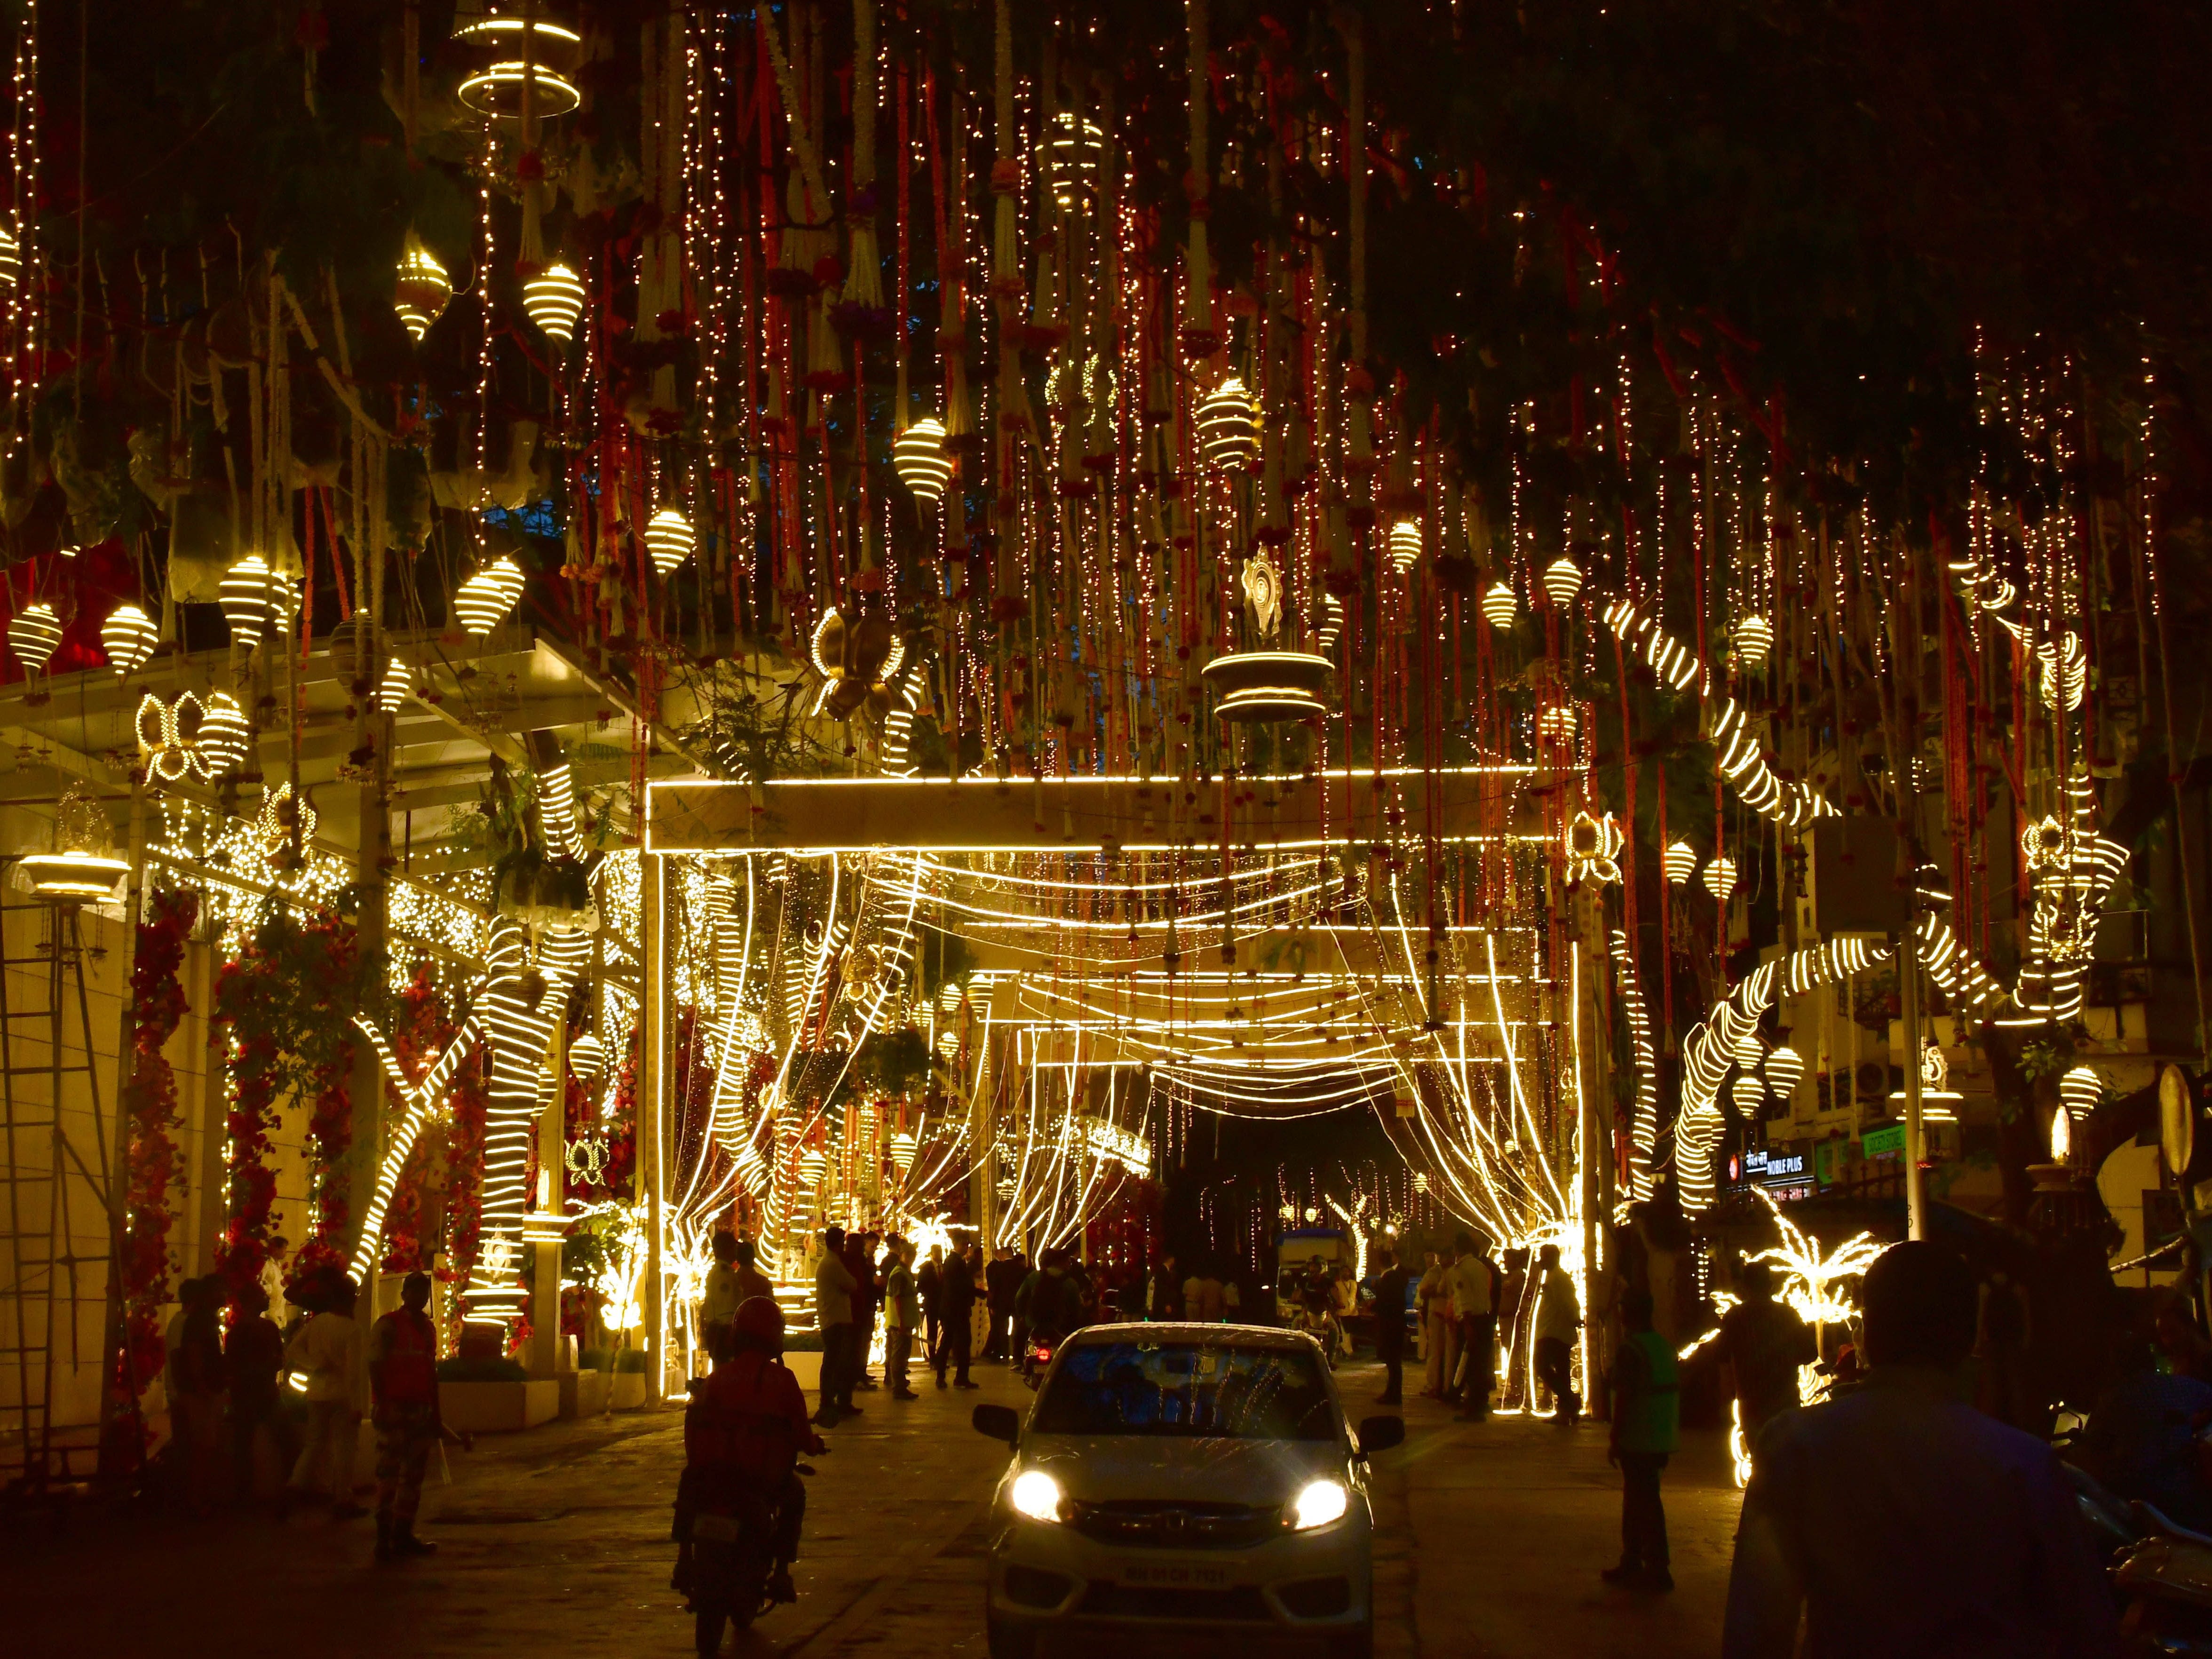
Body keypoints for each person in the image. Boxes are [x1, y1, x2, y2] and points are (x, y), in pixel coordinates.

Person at [1723, 1241, 2120, 1659]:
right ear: (1970, 1334)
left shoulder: (1795, 1447)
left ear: (1868, 1331)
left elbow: (1756, 1626)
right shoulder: (2025, 1464)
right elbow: (2086, 1625)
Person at [682, 1296, 827, 1634]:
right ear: (774, 1337)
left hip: (713, 1476)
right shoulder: (783, 1380)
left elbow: (699, 1419)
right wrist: (814, 1445)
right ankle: (780, 1571)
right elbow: (802, 1433)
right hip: (760, 1480)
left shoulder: (719, 1378)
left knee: (688, 1491)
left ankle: (683, 1561)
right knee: (794, 1494)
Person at [2076, 1324, 2212, 1532]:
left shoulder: (2112, 1401)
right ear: (2150, 1359)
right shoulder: (2180, 1387)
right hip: (2185, 1498)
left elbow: (2093, 1454)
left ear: (2117, 1365)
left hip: (2137, 1506)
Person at [369, 1270, 466, 1562]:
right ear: (404, 1295)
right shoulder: (388, 1326)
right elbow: (375, 1365)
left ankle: (403, 1533)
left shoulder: (427, 1329)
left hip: (420, 1410)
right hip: (395, 1408)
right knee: (389, 1474)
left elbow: (429, 1372)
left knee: (413, 1475)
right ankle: (384, 1539)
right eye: (415, 1292)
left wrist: (436, 1414)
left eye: (424, 1293)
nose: (420, 1298)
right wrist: (382, 1402)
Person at [1604, 1289, 1680, 1592]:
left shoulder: (1631, 1349)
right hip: (1663, 1433)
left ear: (1627, 1313)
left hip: (1640, 1434)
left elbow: (1625, 1395)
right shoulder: (1663, 1346)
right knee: (1640, 1498)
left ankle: (1656, 1567)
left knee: (1644, 1501)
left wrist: (1615, 1435)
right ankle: (1633, 1560)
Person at [284, 1275, 367, 1517]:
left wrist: (314, 1365)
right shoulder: (352, 1329)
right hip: (341, 1395)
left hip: (317, 1393)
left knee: (314, 1445)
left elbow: (293, 1349)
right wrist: (357, 1405)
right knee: (344, 1449)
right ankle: (342, 1499)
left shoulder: (318, 1323)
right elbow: (353, 1374)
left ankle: (293, 1486)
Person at [1712, 1261, 1816, 1452]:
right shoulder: (1788, 1315)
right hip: (1786, 1396)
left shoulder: (1736, 1316)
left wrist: (1727, 1393)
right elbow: (1810, 1353)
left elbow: (1721, 1355)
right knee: (1786, 1453)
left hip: (1751, 1398)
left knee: (1759, 1455)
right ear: (1771, 1286)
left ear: (1744, 1287)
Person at [225, 1279, 296, 1506]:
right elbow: (238, 1364)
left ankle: (246, 1494)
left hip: (254, 1393)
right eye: (262, 1295)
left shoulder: (253, 1329)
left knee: (246, 1445)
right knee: (281, 1441)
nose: (267, 1298)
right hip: (258, 1393)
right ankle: (286, 1489)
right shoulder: (254, 1329)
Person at [166, 1275, 227, 1509]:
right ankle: (194, 1499)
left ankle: (192, 1497)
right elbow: (185, 1355)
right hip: (196, 1393)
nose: (224, 1294)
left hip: (195, 1391)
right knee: (200, 1447)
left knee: (198, 1446)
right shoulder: (190, 1322)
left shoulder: (200, 1321)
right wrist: (199, 1386)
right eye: (220, 1289)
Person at [812, 1227, 859, 1426]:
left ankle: (830, 1399)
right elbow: (852, 1285)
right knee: (835, 1362)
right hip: (836, 1319)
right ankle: (828, 1400)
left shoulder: (828, 1262)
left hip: (831, 1318)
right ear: (839, 1244)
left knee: (832, 1361)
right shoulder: (833, 1264)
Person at [1531, 1243, 1581, 1421]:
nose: (1540, 1260)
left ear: (1553, 1258)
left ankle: (1569, 1402)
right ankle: (1567, 1408)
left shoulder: (1559, 1279)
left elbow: (1568, 1303)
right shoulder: (1553, 1277)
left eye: (1543, 1256)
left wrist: (1575, 1319)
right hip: (1551, 1330)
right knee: (1560, 1370)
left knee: (1542, 1366)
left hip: (1555, 1332)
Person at [1441, 1234, 1488, 1413]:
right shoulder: (1481, 1267)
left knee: (1467, 1363)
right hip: (1484, 1318)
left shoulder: (1459, 1270)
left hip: (1470, 1320)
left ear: (1457, 1250)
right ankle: (1478, 1402)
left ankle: (1472, 1407)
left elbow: (1464, 1298)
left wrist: (1467, 1324)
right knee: (1479, 1364)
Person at [937, 1241, 979, 1389]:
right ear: (959, 1245)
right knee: (962, 1343)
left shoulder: (951, 1261)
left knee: (948, 1342)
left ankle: (943, 1376)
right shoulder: (956, 1262)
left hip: (951, 1309)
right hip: (957, 1310)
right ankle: (960, 1377)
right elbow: (964, 1285)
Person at [1372, 1249, 1411, 1405]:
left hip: (1390, 1326)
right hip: (1394, 1324)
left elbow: (1387, 1303)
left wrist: (1374, 1305)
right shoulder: (1392, 1278)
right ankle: (1392, 1392)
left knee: (1393, 1362)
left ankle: (1394, 1395)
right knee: (1393, 1363)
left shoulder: (1389, 1279)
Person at [883, 1240, 920, 1400]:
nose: (912, 1258)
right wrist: (902, 1322)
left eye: (913, 1255)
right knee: (899, 1355)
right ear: (901, 1255)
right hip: (899, 1323)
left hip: (902, 1321)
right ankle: (898, 1387)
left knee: (900, 1354)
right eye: (909, 1255)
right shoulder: (899, 1273)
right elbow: (898, 1299)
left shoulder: (904, 1272)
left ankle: (899, 1383)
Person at [700, 1231, 745, 1363]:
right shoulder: (724, 1275)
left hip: (720, 1332)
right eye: (733, 1247)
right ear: (726, 1249)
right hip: (724, 1333)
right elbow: (728, 1308)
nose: (735, 1252)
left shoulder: (720, 1272)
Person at [1416, 1250, 1449, 1397]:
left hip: (1445, 1315)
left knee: (1438, 1352)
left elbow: (1425, 1292)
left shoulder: (1443, 1272)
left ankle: (1437, 1385)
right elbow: (1423, 1292)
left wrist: (1435, 1291)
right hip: (1441, 1314)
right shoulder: (1436, 1272)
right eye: (1427, 1255)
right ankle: (1440, 1385)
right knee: (1440, 1351)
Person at [985, 1247, 1024, 1361]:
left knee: (1003, 1329)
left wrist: (992, 1305)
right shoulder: (1020, 1269)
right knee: (1018, 1330)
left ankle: (1005, 1355)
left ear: (1003, 1255)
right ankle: (1018, 1356)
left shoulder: (999, 1269)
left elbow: (994, 1288)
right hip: (1016, 1303)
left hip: (1002, 1304)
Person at [917, 1246, 943, 1374]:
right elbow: (920, 1286)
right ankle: (933, 1359)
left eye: (941, 1252)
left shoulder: (944, 1267)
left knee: (944, 1331)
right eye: (937, 1252)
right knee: (932, 1331)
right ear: (932, 1254)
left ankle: (941, 1358)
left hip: (943, 1304)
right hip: (932, 1304)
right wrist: (929, 1294)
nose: (939, 1255)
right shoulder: (926, 1268)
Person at [1148, 1251, 1184, 1321]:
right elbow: (1162, 1289)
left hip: (1161, 1304)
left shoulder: (1162, 1270)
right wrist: (1166, 1304)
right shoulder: (1163, 1271)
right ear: (1171, 1259)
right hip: (1162, 1305)